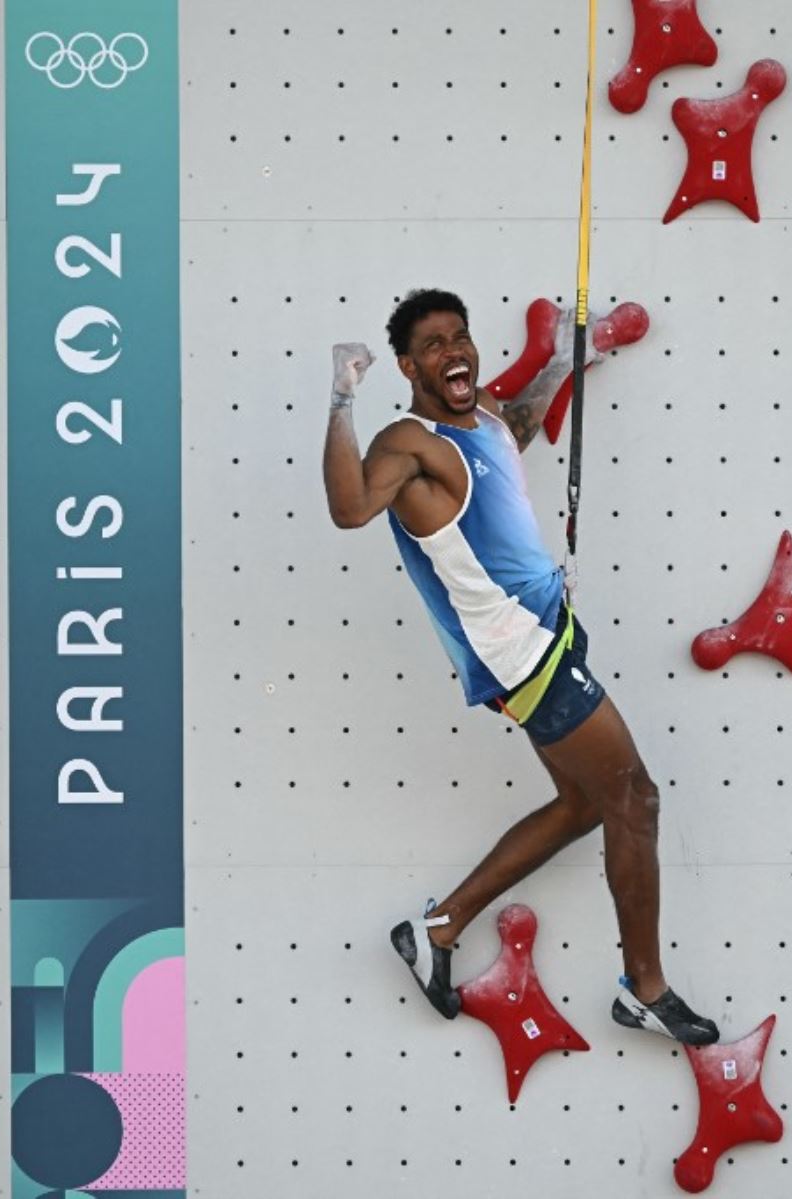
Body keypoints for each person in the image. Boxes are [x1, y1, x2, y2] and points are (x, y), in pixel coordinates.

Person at [320, 287, 718, 1045]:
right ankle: (646, 987)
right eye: (433, 345)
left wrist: (577, 356)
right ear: (407, 366)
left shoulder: (486, 418)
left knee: (584, 804)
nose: (454, 351)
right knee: (635, 798)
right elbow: (348, 508)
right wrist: (343, 398)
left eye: (460, 337)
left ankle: (436, 928)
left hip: (552, 636)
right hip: (523, 654)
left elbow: (521, 425)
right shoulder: (406, 444)